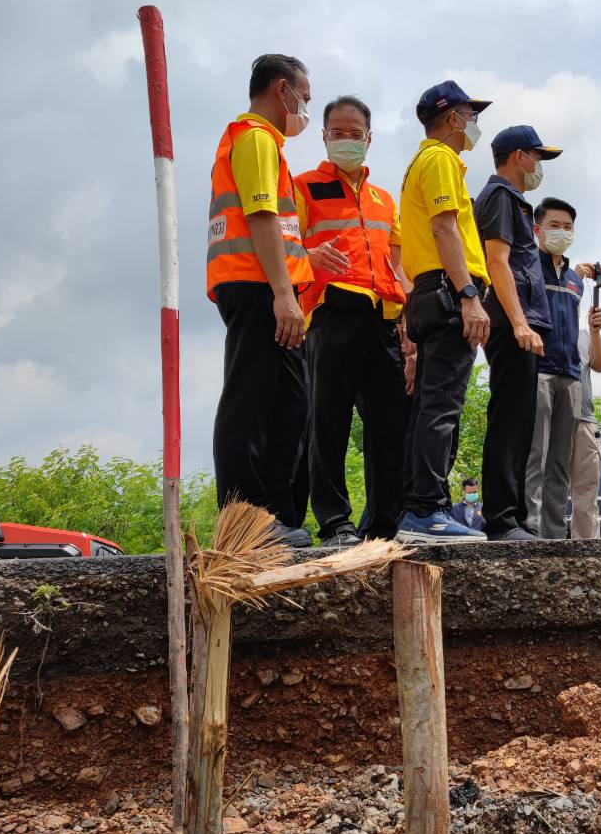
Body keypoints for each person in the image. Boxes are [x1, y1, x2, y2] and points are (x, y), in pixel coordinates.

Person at [209, 54, 342, 547]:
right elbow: (261, 218)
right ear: (282, 89)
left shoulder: (265, 144)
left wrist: (304, 258)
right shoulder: (256, 138)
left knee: (289, 404)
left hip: (268, 285)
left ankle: (274, 519)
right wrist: (285, 296)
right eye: (304, 97)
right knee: (251, 401)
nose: (305, 108)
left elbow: (274, 229)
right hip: (257, 289)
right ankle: (244, 522)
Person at [292, 94, 410, 546]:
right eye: (338, 132)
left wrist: (410, 323)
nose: (347, 140)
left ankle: (383, 524)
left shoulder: (384, 199)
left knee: (390, 425)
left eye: (355, 133)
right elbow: (284, 245)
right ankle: (334, 522)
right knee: (328, 423)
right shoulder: (303, 187)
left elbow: (398, 262)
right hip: (331, 312)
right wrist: (308, 253)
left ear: (369, 138)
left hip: (383, 318)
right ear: (324, 136)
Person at [396, 80, 494, 543]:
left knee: (429, 406)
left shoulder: (423, 161)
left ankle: (416, 507)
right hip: (447, 291)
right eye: (471, 115)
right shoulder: (439, 159)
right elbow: (444, 228)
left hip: (428, 291)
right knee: (442, 407)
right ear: (453, 118)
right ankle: (426, 510)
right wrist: (469, 294)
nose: (474, 124)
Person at [475, 125, 561, 541]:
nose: (539, 165)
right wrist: (520, 322)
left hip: (524, 323)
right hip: (512, 323)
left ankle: (514, 517)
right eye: (536, 156)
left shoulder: (515, 201)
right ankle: (501, 518)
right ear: (517, 157)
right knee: (509, 419)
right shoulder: (499, 196)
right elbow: (497, 261)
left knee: (522, 421)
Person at [526, 197, 593, 539]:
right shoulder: (527, 267)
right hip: (539, 369)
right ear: (537, 229)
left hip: (572, 374)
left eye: (568, 227)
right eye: (554, 225)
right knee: (535, 455)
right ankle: (531, 529)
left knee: (559, 462)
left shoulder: (574, 280)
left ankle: (553, 534)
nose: (562, 232)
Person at [568, 306, 601, 539]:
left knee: (586, 497)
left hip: (585, 422)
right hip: (553, 420)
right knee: (547, 489)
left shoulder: (584, 335)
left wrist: (595, 332)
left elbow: (600, 364)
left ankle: (588, 551)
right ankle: (547, 548)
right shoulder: (544, 329)